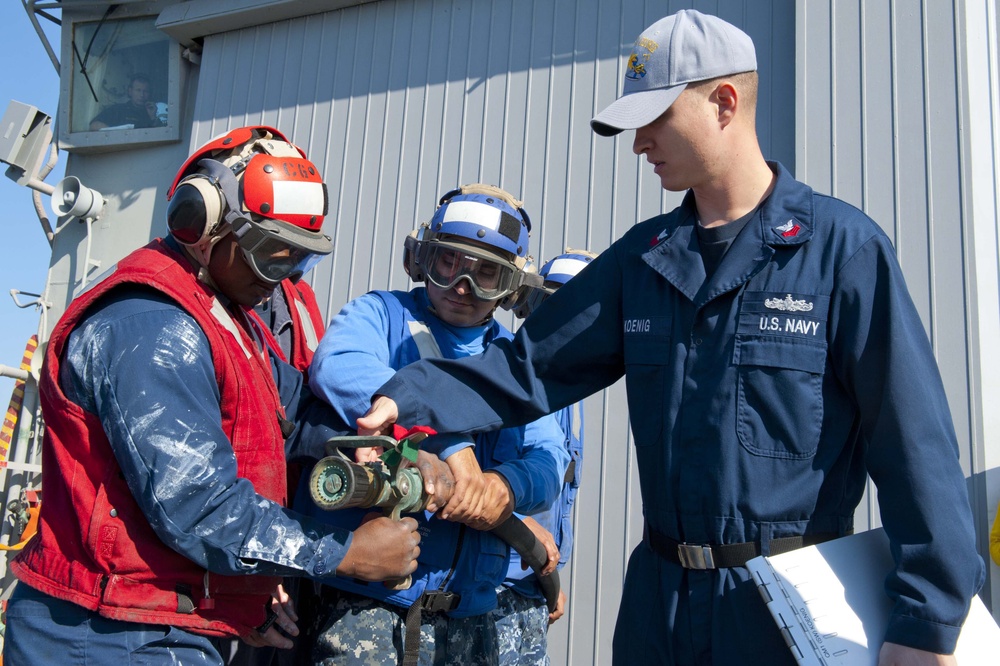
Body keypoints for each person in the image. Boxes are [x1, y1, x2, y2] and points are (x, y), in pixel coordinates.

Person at [358, 10, 985, 666]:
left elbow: (913, 444)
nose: (638, 144)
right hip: (660, 608)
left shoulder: (840, 252)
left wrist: (926, 622)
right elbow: (528, 369)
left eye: (655, 119)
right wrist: (409, 395)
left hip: (783, 608)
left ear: (723, 102)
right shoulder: (644, 260)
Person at [2, 126, 433, 665]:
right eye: (270, 258)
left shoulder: (227, 318)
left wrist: (358, 443)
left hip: (159, 622)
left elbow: (293, 412)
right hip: (107, 633)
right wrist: (346, 555)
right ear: (198, 224)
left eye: (298, 261)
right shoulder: (154, 325)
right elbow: (197, 506)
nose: (281, 281)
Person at [297, 183, 570, 665]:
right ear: (420, 257)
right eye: (448, 263)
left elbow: (549, 459)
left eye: (487, 273)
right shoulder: (380, 315)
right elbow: (337, 366)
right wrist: (451, 448)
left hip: (473, 618)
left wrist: (502, 489)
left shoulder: (515, 364)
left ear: (512, 286)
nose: (463, 286)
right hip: (369, 607)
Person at [495, 249, 597, 665]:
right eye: (552, 308)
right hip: (494, 584)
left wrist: (549, 580)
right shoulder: (510, 375)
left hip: (532, 584)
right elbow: (475, 478)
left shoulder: (570, 392)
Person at [90, 74, 165, 130]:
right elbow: (94, 125)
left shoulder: (151, 115)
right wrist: (114, 135)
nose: (142, 95)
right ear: (130, 91)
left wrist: (153, 117)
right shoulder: (117, 110)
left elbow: (163, 135)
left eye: (145, 91)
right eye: (138, 90)